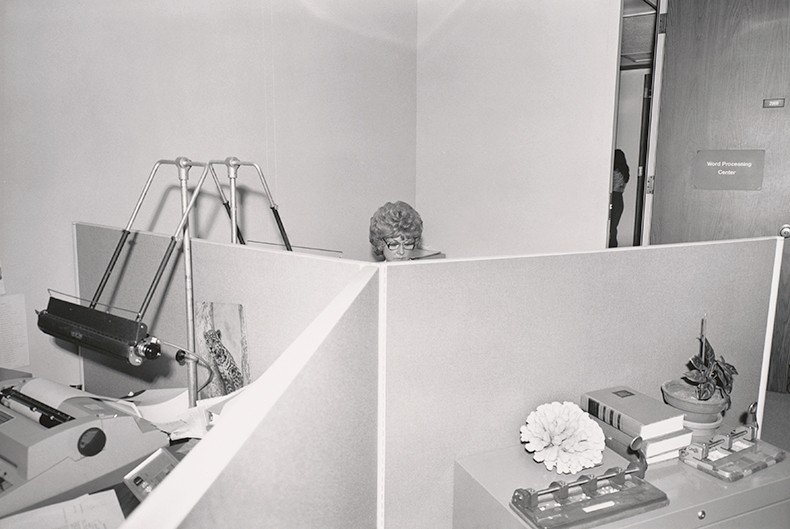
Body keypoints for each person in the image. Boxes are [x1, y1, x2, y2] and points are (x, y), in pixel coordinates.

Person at [609, 149, 630, 248]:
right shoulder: (624, 172)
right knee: (613, 227)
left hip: (612, 198)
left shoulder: (614, 172)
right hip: (619, 199)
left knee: (609, 227)